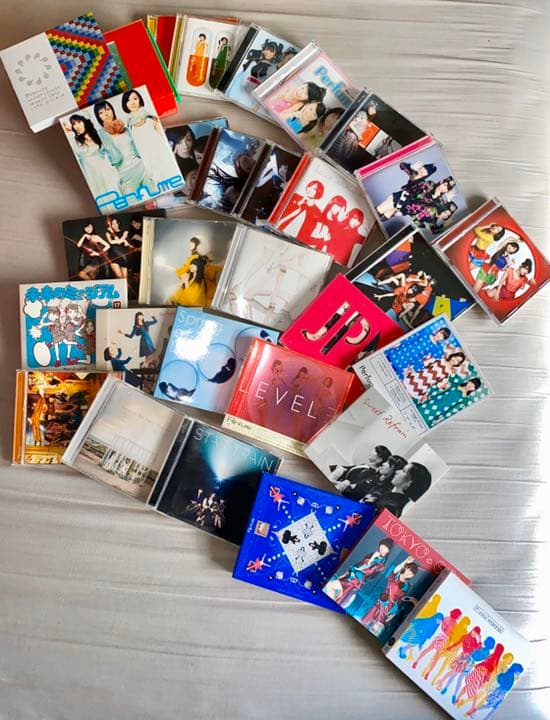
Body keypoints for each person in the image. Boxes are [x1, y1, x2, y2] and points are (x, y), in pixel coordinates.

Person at [93, 99, 154, 197]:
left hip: (140, 167)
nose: (106, 114)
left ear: (112, 110)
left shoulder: (124, 127)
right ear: (98, 117)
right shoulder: (100, 134)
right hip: (125, 175)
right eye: (101, 113)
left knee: (155, 192)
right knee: (132, 201)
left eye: (107, 109)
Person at [122, 89, 177, 184]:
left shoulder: (151, 118)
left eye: (135, 98)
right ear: (125, 104)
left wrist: (170, 151)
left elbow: (163, 137)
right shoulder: (129, 126)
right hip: (147, 158)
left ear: (140, 100)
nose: (132, 102)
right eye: (128, 100)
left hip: (160, 153)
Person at [64, 114, 120, 198]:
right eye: (74, 124)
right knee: (99, 194)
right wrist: (69, 133)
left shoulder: (97, 134)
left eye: (79, 122)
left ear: (84, 122)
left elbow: (110, 150)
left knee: (112, 191)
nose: (77, 126)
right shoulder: (75, 140)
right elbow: (79, 152)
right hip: (90, 173)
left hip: (104, 170)